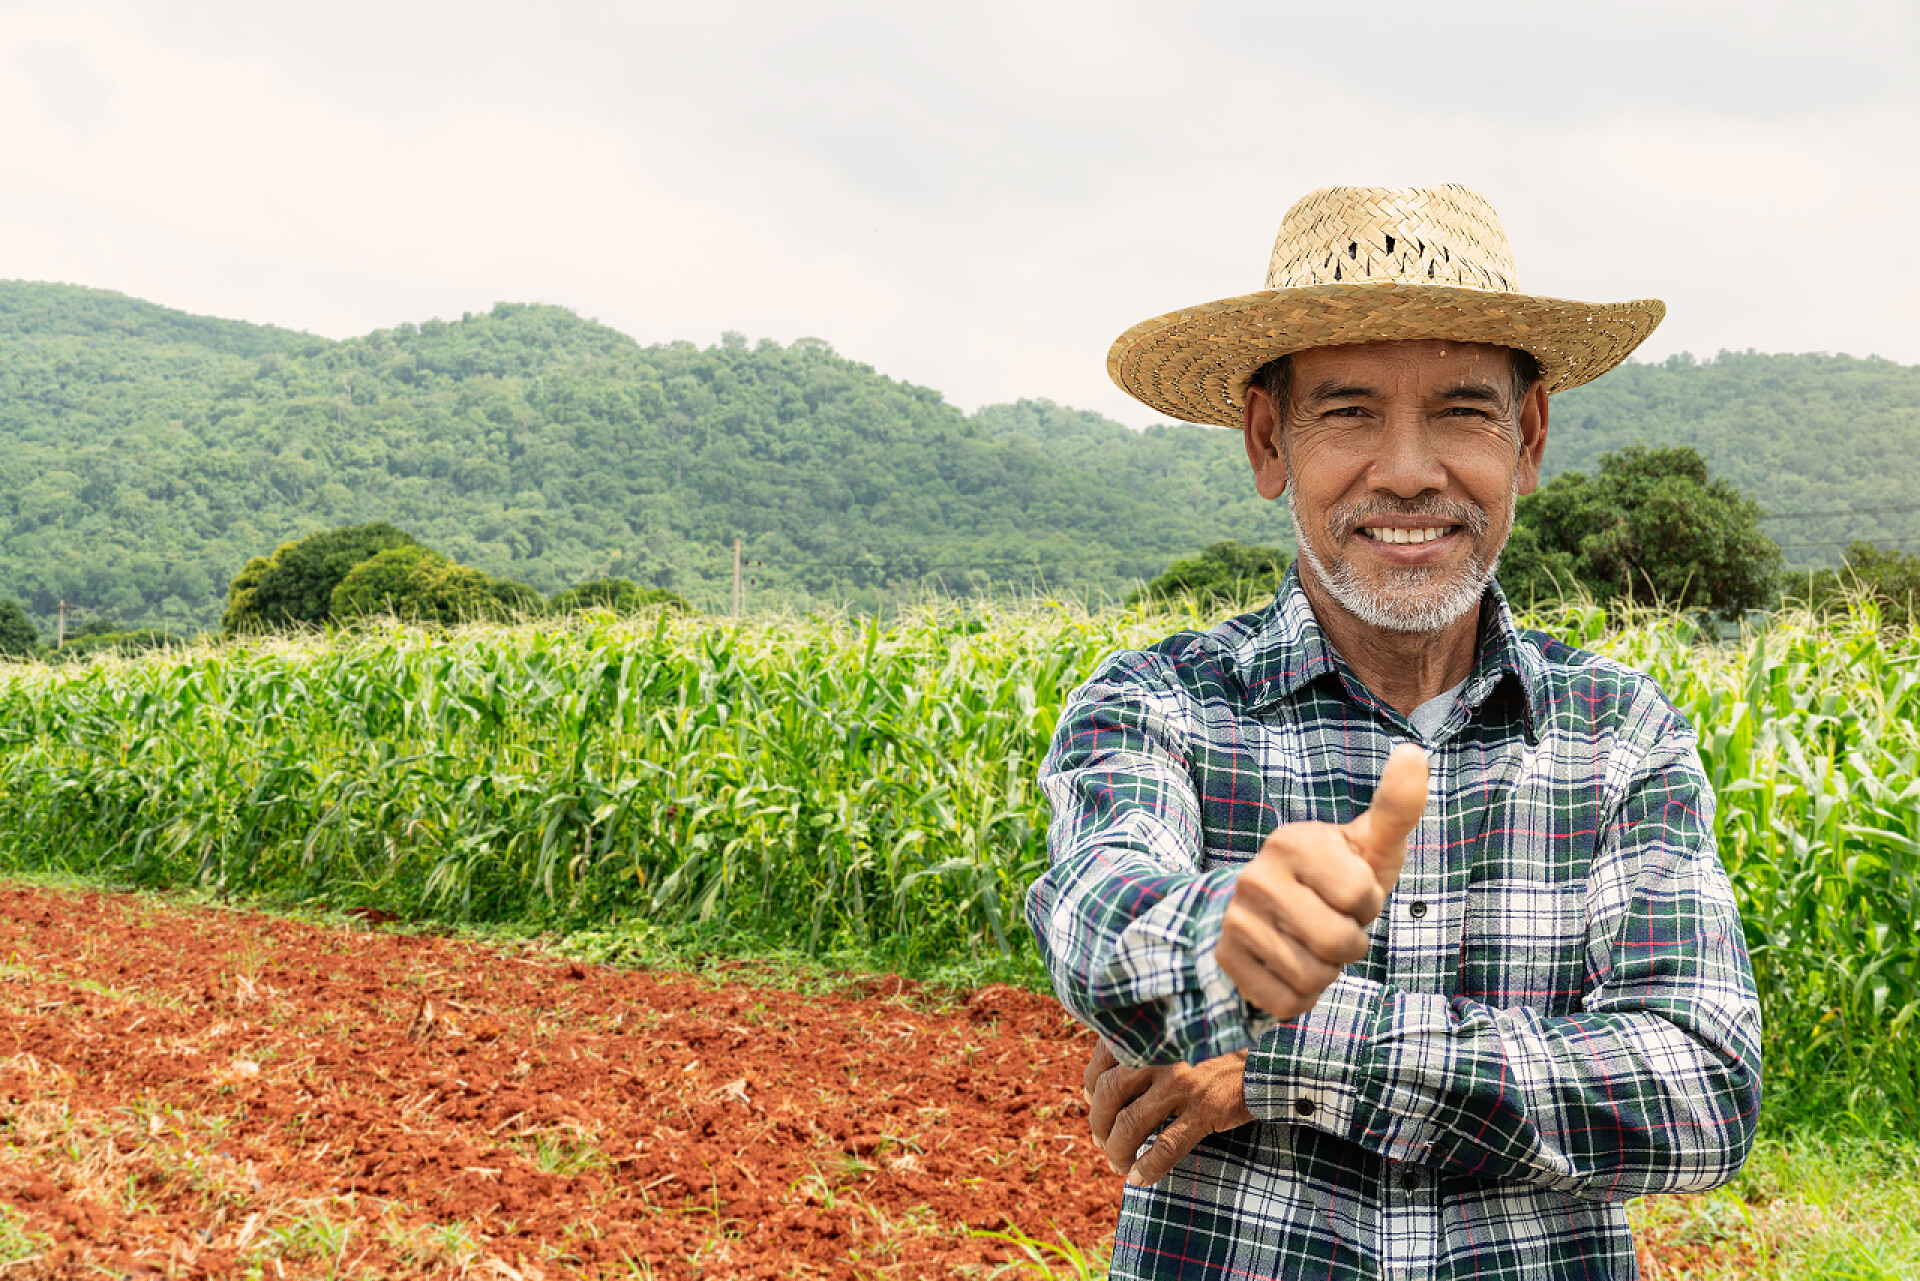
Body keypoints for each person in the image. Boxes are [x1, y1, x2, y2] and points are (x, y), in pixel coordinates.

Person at [1026, 184, 1760, 1279]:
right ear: (1270, 442)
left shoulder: (1619, 734)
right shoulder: (1156, 706)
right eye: (1351, 411)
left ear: (1530, 437)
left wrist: (1274, 1051)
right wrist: (1237, 940)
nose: (1410, 470)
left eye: (1463, 409)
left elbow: (1699, 1087)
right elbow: (1107, 931)